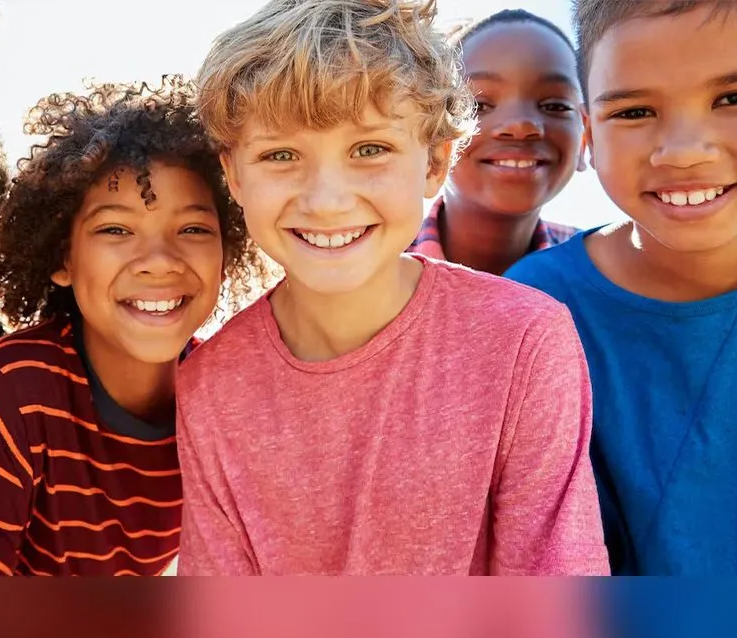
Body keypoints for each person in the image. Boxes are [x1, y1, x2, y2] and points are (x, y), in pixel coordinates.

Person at [176, 0, 609, 575]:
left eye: (369, 150)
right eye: (281, 154)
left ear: (434, 161)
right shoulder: (210, 387)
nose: (326, 200)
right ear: (233, 174)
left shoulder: (524, 341)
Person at [0, 77, 264, 576]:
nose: (159, 262)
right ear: (62, 258)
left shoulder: (229, 397)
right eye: (115, 229)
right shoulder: (15, 383)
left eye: (193, 229)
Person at [506, 0, 737, 575]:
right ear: (587, 134)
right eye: (634, 112)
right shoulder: (532, 313)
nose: (684, 151)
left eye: (731, 100)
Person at [409, 9, 586, 275]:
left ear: (586, 138)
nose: (520, 125)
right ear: (433, 136)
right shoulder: (369, 270)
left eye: (554, 105)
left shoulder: (608, 278)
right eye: (478, 105)